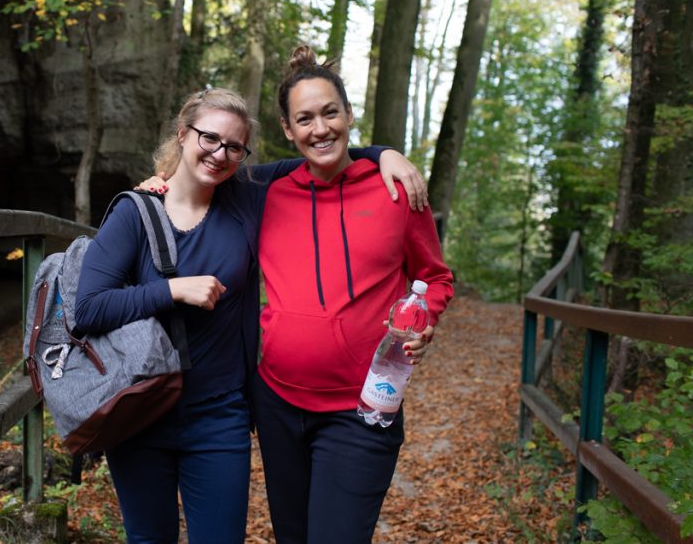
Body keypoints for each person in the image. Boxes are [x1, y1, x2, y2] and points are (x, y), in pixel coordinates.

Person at [74, 87, 426, 544]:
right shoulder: (135, 212)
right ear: (183, 135)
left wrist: (384, 154)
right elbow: (88, 308)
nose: (220, 154)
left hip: (219, 414)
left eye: (234, 147)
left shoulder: (246, 197)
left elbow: (321, 150)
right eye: (209, 139)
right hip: (141, 407)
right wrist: (171, 290)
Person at [252, 46, 453, 543]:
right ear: (287, 129)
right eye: (304, 119)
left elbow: (436, 276)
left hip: (365, 407)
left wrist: (422, 320)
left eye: (329, 113)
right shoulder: (265, 192)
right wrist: (158, 181)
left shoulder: (397, 192)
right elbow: (202, 172)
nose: (319, 129)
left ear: (349, 114)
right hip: (277, 403)